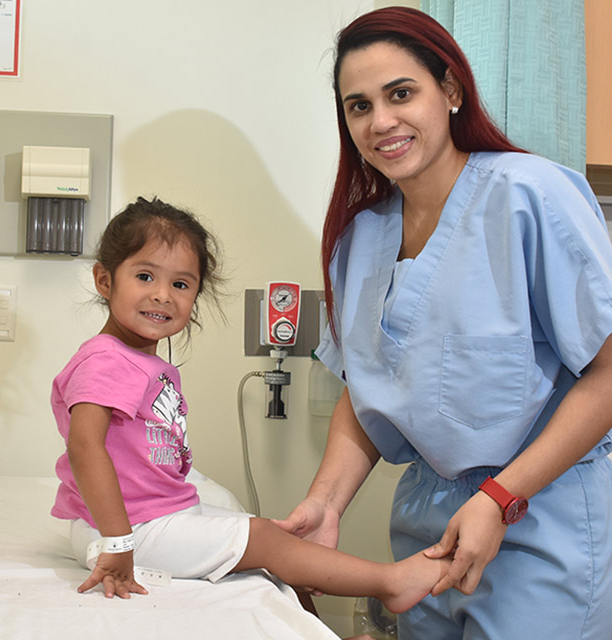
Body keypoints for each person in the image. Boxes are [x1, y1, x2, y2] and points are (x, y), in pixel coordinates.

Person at [275, 7, 612, 640]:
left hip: (542, 512)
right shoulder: (361, 239)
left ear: (451, 91)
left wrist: (500, 498)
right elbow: (367, 386)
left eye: (401, 93)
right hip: (426, 523)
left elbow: (608, 373)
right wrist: (326, 502)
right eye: (358, 106)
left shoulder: (528, 195)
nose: (381, 122)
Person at [50, 195, 448, 619]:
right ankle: (391, 584)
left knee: (273, 546)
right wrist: (117, 543)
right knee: (264, 538)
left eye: (181, 285)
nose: (163, 296)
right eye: (145, 276)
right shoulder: (106, 360)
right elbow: (85, 447)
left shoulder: (142, 361)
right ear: (105, 281)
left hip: (146, 517)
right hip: (122, 529)